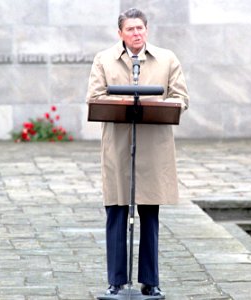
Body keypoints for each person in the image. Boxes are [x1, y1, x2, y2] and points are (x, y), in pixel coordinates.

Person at [86, 8, 189, 297]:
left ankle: (150, 282)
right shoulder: (103, 59)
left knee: (150, 213)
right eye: (130, 29)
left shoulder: (167, 59)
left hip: (153, 148)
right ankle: (116, 282)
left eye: (140, 28)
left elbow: (181, 97)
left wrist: (164, 105)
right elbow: (94, 97)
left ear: (147, 30)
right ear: (120, 33)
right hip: (118, 147)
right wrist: (120, 99)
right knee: (117, 211)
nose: (136, 34)